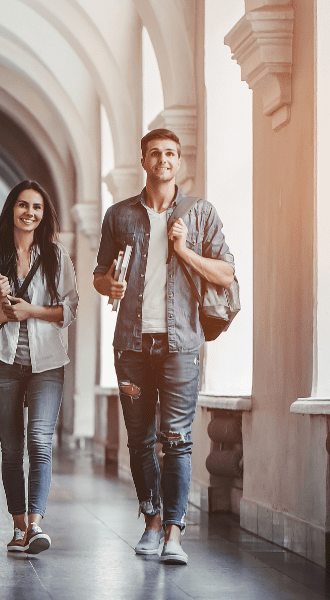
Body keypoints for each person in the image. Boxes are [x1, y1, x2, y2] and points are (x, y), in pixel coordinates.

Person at [93, 129, 235, 565]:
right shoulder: (119, 216)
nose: (164, 159)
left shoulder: (201, 213)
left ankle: (174, 532)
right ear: (144, 160)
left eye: (171, 153)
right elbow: (99, 274)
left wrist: (184, 250)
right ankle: (151, 522)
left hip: (180, 345)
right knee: (139, 439)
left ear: (179, 161)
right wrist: (108, 284)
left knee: (177, 440)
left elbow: (226, 274)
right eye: (155, 153)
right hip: (131, 346)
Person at [0, 180, 78, 554]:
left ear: (43, 215)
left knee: (40, 441)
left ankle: (36, 525)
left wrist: (32, 311)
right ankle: (17, 526)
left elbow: (70, 309)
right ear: (11, 210)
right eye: (22, 205)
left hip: (47, 363)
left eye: (37, 207)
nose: (29, 213)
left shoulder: (57, 256)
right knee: (11, 448)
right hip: (3, 362)